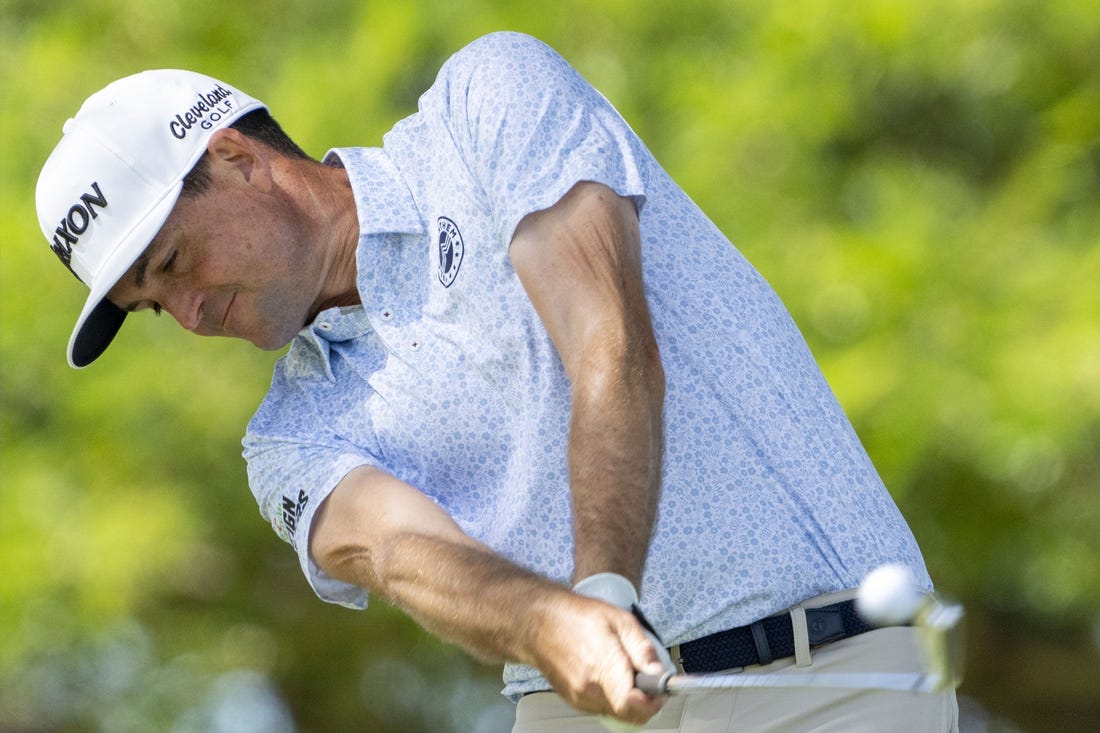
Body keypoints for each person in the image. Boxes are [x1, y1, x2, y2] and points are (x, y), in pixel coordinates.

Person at [36, 31, 958, 732]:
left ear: (237, 158)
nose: (188, 315)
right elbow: (401, 553)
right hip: (573, 710)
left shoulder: (488, 102)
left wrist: (601, 594)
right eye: (154, 305)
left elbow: (607, 339)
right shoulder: (289, 435)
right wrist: (552, 624)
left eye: (173, 262)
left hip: (830, 673)